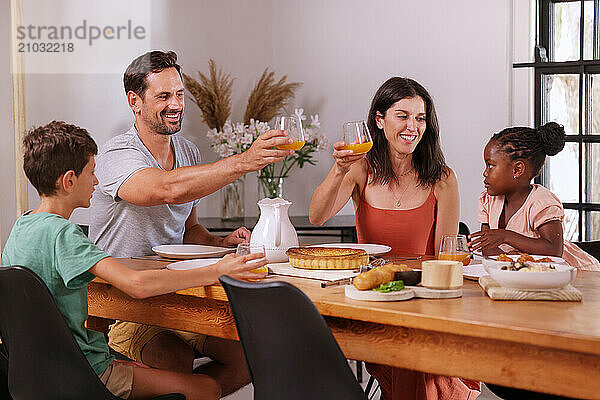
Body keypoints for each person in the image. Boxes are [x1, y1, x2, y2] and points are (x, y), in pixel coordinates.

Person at [1, 121, 267, 399]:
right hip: (84, 373)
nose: (96, 181)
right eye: (92, 173)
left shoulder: (22, 226)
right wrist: (217, 270)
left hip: (49, 371)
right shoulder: (63, 233)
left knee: (176, 377)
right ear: (69, 180)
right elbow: (137, 284)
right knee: (207, 388)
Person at [88, 50, 295, 396]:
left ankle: (197, 394)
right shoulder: (116, 154)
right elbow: (164, 190)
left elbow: (188, 230)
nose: (176, 104)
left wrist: (218, 244)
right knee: (174, 360)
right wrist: (244, 161)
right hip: (124, 301)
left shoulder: (188, 153)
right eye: (164, 96)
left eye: (180, 94)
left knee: (256, 355)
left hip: (181, 294)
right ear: (134, 101)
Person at [309, 77, 479, 399]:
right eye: (402, 116)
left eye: (420, 118)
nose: (412, 126)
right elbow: (317, 216)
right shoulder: (361, 169)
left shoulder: (442, 178)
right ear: (379, 120)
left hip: (425, 301)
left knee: (415, 352)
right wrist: (338, 169)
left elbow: (446, 256)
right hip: (375, 301)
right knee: (410, 354)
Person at [468, 122, 600, 270]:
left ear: (517, 169)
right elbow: (488, 248)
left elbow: (554, 250)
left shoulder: (541, 202)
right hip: (529, 275)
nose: (485, 173)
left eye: (490, 165)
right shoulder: (488, 200)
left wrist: (505, 236)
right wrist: (511, 266)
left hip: (578, 275)